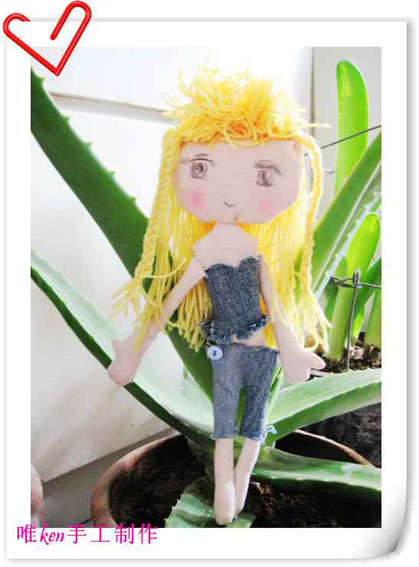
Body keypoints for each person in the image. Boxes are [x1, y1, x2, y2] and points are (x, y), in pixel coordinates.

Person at [108, 67, 328, 525]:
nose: (229, 196)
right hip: (224, 350)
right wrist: (135, 349)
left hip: (262, 349)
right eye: (202, 168)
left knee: (255, 424)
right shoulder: (204, 253)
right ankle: (226, 484)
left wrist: (291, 350)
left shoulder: (257, 253)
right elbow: (169, 303)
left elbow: (277, 308)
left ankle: (241, 478)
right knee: (225, 424)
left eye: (263, 174)